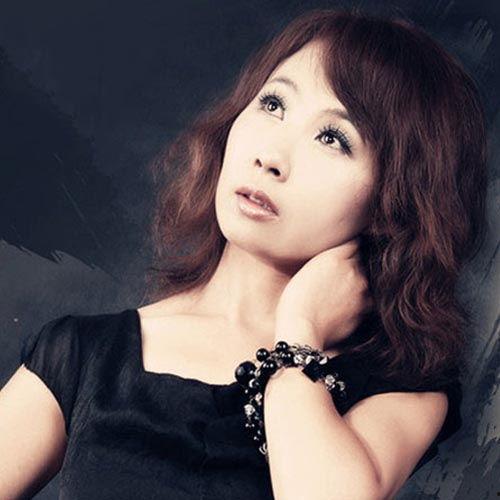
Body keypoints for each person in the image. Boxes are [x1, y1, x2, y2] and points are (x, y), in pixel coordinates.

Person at [0, 7, 488, 500]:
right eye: (273, 104)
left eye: (332, 138)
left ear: (393, 201)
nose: (270, 157)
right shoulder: (84, 355)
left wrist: (299, 333)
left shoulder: (401, 384)